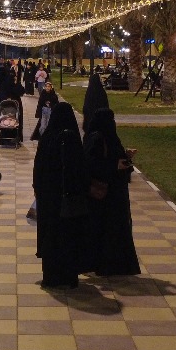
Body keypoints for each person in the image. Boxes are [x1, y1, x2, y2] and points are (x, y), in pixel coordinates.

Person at [32, 103, 94, 289]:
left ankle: (51, 277)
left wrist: (39, 190)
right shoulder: (70, 138)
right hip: (67, 199)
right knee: (68, 237)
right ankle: (68, 277)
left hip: (48, 197)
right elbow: (79, 169)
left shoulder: (47, 137)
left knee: (51, 236)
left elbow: (38, 168)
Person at [83, 107, 140, 276]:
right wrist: (115, 165)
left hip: (115, 193)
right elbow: (91, 164)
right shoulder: (96, 138)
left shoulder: (109, 137)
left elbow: (113, 157)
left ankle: (114, 265)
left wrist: (126, 157)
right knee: (106, 230)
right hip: (105, 194)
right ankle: (105, 265)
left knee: (114, 230)